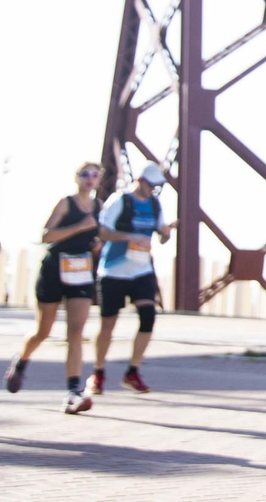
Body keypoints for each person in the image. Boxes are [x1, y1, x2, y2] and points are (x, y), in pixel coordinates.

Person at [4, 161, 102, 412]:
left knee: (76, 332)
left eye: (95, 175)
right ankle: (22, 361)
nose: (90, 178)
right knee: (43, 331)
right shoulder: (66, 203)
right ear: (77, 178)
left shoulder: (100, 207)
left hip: (80, 273)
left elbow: (100, 237)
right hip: (54, 270)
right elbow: (46, 235)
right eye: (85, 174)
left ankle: (73, 391)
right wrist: (80, 226)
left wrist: (96, 244)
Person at [88, 162, 175, 396]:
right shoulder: (120, 200)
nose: (153, 190)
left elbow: (161, 236)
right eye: (151, 185)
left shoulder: (155, 205)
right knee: (108, 324)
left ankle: (132, 371)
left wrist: (166, 233)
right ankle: (98, 371)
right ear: (140, 181)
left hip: (141, 270)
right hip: (114, 270)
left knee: (148, 316)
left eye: (157, 187)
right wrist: (129, 236)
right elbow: (102, 231)